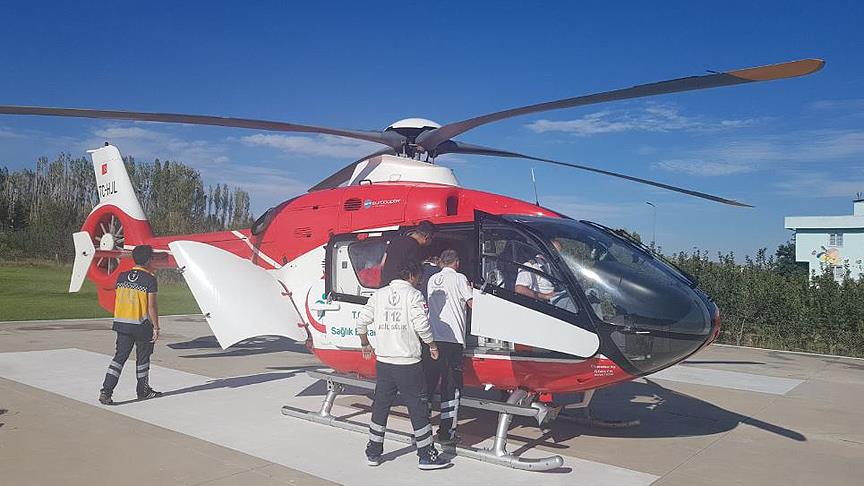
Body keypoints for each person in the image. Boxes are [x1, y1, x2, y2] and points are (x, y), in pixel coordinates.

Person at [357, 262, 450, 470]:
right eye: (419, 277)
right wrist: (432, 345)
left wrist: (365, 343)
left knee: (380, 406)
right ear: (411, 276)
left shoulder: (379, 294)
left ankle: (373, 451)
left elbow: (361, 322)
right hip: (408, 363)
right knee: (417, 408)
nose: (420, 281)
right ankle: (426, 455)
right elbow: (422, 325)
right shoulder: (414, 296)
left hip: (384, 363)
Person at [98, 245, 162, 405]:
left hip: (122, 323)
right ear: (149, 260)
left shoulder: (121, 276)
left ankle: (106, 391)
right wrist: (156, 327)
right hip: (141, 325)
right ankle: (143, 391)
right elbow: (151, 306)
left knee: (119, 358)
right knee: (143, 359)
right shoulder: (150, 279)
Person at [424, 249, 473, 444]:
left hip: (432, 339)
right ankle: (446, 433)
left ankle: (422, 429)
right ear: (457, 262)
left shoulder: (432, 279)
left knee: (428, 385)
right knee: (450, 387)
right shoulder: (460, 278)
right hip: (453, 340)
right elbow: (472, 304)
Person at [379, 221, 434, 285]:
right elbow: (413, 271)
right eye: (431, 239)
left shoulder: (395, 240)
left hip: (385, 284)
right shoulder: (415, 247)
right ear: (427, 237)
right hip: (401, 286)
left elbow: (382, 263)